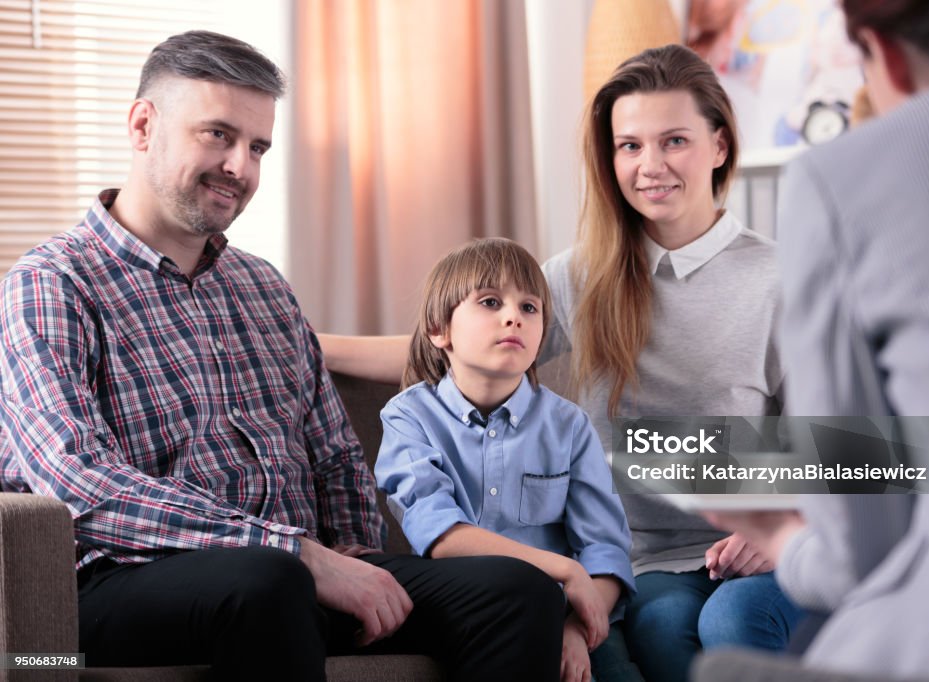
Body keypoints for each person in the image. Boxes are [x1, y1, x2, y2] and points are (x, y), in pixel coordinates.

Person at [0, 30, 564, 681]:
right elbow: (79, 485)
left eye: (258, 147)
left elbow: (333, 453)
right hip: (118, 590)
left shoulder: (264, 287)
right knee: (267, 581)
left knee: (518, 593)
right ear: (143, 124)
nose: (240, 166)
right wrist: (297, 554)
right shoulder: (52, 284)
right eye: (217, 135)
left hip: (291, 584)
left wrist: (352, 557)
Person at [318, 44, 803, 682]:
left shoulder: (784, 277)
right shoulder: (581, 277)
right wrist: (302, 340)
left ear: (719, 145)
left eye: (674, 141)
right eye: (629, 146)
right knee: (659, 631)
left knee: (731, 626)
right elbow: (450, 345)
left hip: (771, 544)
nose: (649, 166)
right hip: (646, 561)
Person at [699, 1, 929, 678]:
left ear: (887, 55)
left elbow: (858, 553)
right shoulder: (572, 288)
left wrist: (779, 535)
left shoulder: (840, 180)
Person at [373, 237, 635, 682]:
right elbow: (439, 533)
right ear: (440, 330)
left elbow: (606, 551)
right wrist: (564, 570)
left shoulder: (569, 424)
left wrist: (575, 626)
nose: (513, 315)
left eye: (529, 308)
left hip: (568, 609)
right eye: (490, 302)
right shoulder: (408, 415)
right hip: (468, 606)